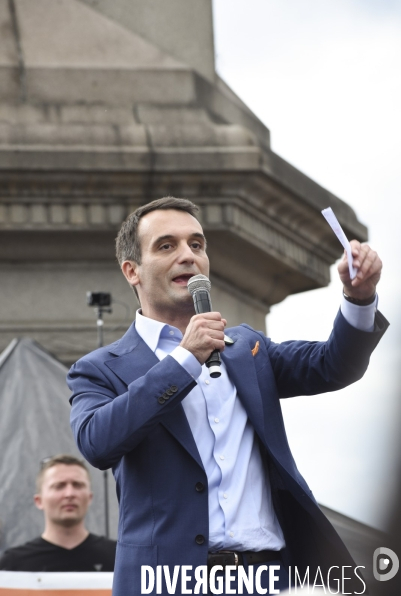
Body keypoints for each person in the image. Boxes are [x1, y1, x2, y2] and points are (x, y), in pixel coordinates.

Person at [67, 197, 387, 595]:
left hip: (272, 577)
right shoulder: (100, 367)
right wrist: (185, 360)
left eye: (197, 245)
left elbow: (333, 365)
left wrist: (359, 299)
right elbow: (97, 442)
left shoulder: (246, 348)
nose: (188, 256)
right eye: (167, 246)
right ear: (132, 270)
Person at [0, 455, 116, 572]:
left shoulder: (118, 557)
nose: (69, 494)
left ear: (90, 498)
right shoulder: (12, 565)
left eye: (77, 485)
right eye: (59, 486)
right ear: (39, 501)